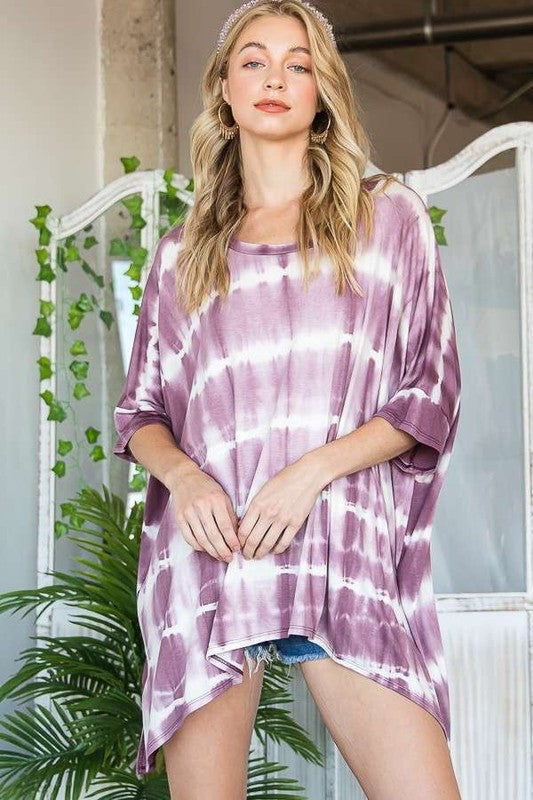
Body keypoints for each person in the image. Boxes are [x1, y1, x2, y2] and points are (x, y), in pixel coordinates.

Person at [112, 1, 463, 798]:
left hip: (339, 548)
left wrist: (309, 473)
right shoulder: (180, 254)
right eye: (253, 60)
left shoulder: (386, 217)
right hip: (210, 559)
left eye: (297, 63)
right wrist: (186, 479)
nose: (274, 76)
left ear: (321, 89)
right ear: (224, 88)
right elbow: (140, 413)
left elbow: (430, 392)